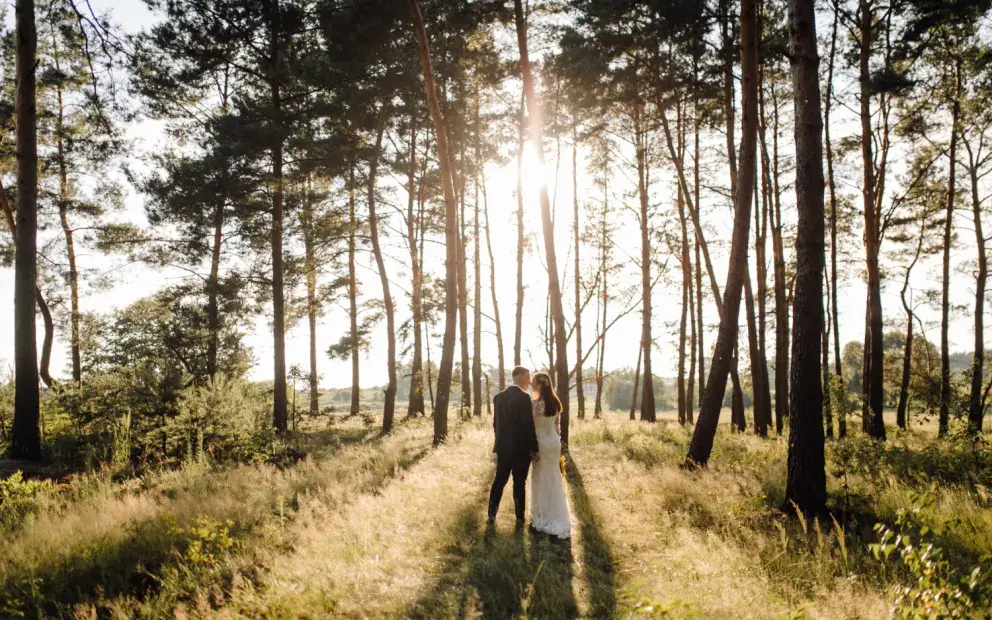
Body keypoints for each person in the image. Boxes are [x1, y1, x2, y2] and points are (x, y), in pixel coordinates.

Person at [487, 365, 540, 527]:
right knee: (519, 483)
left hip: (503, 448)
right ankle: (519, 517)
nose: (529, 381)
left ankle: (491, 514)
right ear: (518, 377)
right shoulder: (524, 398)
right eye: (527, 376)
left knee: (499, 481)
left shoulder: (498, 397)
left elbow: (495, 424)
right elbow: (528, 425)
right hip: (520, 449)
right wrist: (535, 448)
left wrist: (501, 441)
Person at [528, 371, 572, 539]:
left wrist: (532, 448)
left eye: (534, 383)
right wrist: (559, 446)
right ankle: (557, 513)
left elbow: (531, 427)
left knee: (540, 476)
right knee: (553, 476)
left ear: (540, 385)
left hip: (541, 442)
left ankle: (543, 513)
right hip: (553, 442)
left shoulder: (534, 404)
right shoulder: (555, 402)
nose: (532, 385)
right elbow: (557, 427)